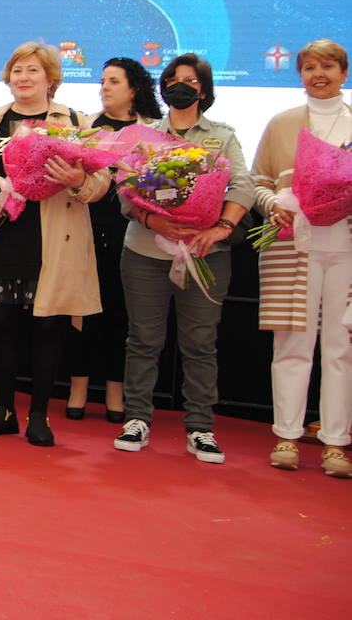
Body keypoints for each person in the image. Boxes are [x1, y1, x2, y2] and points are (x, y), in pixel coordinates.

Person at [0, 42, 110, 447]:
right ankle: (4, 411)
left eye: (33, 71)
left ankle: (40, 415)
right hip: (1, 235)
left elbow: (100, 182)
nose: (23, 78)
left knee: (47, 327)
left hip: (52, 240)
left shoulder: (74, 120)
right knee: (2, 325)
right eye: (17, 71)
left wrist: (78, 182)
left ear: (51, 80)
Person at [113, 53, 254, 464]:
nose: (180, 86)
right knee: (143, 340)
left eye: (189, 81)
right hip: (144, 250)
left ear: (204, 90)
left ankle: (200, 427)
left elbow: (241, 186)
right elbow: (125, 190)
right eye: (172, 79)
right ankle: (137, 419)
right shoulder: (143, 134)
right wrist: (153, 219)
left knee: (200, 343)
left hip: (206, 254)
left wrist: (220, 228)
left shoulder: (222, 136)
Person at [251, 39, 352, 478]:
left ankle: (335, 444)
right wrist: (271, 203)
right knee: (292, 345)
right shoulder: (283, 122)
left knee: (340, 348)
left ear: (343, 73)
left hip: (345, 245)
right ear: (300, 75)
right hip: (292, 246)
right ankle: (287, 437)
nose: (318, 74)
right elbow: (257, 180)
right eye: (309, 67)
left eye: (328, 66)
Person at [65, 57, 161, 422]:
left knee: (121, 314)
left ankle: (116, 392)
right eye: (102, 81)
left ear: (133, 89)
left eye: (114, 81)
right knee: (83, 310)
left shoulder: (152, 131)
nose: (105, 87)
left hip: (131, 232)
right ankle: (77, 388)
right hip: (86, 228)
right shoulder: (85, 127)